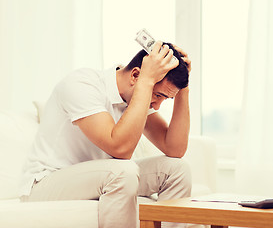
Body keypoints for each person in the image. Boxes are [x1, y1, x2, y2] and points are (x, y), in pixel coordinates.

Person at [19, 41, 192, 228]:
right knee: (123, 171)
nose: (157, 105)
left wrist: (183, 89)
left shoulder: (137, 95)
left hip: (97, 180)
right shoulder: (83, 84)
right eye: (158, 95)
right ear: (135, 75)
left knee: (177, 169)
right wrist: (146, 82)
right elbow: (120, 149)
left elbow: (175, 148)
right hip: (44, 184)